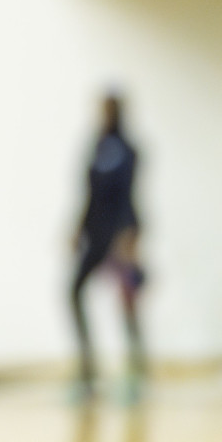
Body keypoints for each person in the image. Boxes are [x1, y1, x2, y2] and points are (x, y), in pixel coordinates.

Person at [69, 91, 147, 394]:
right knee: (73, 291)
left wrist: (129, 235)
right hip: (95, 235)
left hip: (120, 236)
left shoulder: (129, 150)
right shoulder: (96, 147)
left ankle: (136, 372)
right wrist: (77, 228)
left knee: (127, 301)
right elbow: (88, 193)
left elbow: (129, 194)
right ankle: (88, 369)